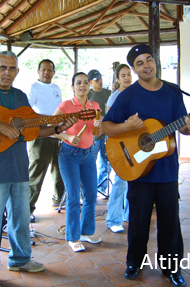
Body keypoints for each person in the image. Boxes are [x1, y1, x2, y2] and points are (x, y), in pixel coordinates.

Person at [0, 51, 77, 287]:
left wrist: (57, 128)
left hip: (20, 168)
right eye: (2, 68)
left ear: (17, 72)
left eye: (12, 69)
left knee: (21, 219)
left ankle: (20, 259)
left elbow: (33, 129)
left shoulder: (21, 97)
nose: (7, 72)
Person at [102, 44, 190, 287]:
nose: (146, 65)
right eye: (139, 63)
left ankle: (172, 268)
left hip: (166, 169)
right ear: (134, 69)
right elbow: (105, 127)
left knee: (170, 222)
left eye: (149, 59)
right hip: (137, 169)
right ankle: (134, 262)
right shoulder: (128, 96)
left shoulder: (172, 93)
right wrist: (127, 128)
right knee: (138, 221)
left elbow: (183, 128)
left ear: (155, 61)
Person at [53, 72, 102, 252]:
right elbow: (52, 129)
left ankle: (86, 232)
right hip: (69, 155)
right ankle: (73, 237)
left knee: (90, 195)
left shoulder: (94, 106)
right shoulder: (66, 105)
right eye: (78, 83)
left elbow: (97, 133)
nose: (82, 86)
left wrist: (99, 126)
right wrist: (67, 136)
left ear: (89, 86)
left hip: (89, 155)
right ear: (72, 86)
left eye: (85, 83)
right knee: (73, 197)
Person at [27, 59, 65, 222]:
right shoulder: (33, 88)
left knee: (59, 171)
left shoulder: (56, 88)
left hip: (57, 136)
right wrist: (48, 121)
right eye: (43, 70)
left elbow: (60, 110)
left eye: (49, 70)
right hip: (40, 137)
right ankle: (27, 208)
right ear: (38, 71)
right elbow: (27, 113)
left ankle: (59, 200)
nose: (46, 73)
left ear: (53, 72)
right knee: (36, 174)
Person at [105, 64, 132, 233]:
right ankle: (113, 220)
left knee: (134, 182)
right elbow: (109, 125)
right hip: (118, 145)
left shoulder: (137, 94)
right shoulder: (114, 98)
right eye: (123, 75)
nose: (127, 78)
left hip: (134, 145)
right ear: (118, 79)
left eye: (129, 74)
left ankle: (129, 215)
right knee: (121, 183)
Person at [87, 69, 112, 195]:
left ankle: (101, 188)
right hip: (94, 135)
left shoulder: (109, 93)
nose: (100, 81)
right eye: (96, 80)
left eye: (101, 78)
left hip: (108, 134)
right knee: (90, 162)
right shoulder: (88, 95)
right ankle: (88, 189)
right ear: (90, 82)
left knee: (107, 163)